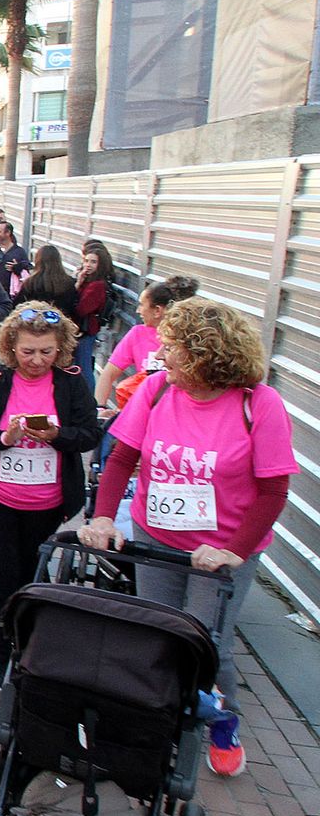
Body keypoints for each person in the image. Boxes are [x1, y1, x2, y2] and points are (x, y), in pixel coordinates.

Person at [79, 297, 295, 778]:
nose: (161, 356)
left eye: (173, 348)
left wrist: (232, 551)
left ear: (205, 354)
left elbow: (274, 488)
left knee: (204, 645)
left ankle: (223, 719)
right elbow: (121, 458)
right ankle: (158, 723)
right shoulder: (157, 391)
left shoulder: (258, 405)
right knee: (159, 634)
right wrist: (105, 518)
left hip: (221, 548)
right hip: (158, 539)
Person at [0, 305, 101, 691]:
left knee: (31, 574)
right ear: (11, 348)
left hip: (48, 501)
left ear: (61, 350)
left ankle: (27, 650)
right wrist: (4, 439)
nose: (37, 360)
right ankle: (0, 655)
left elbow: (90, 434)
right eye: (28, 352)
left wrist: (58, 436)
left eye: (46, 352)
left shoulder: (71, 384)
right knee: (1, 571)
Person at [94, 276, 199, 412]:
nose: (138, 310)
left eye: (142, 304)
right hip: (143, 412)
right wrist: (100, 409)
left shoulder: (191, 338)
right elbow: (108, 375)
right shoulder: (138, 334)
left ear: (157, 310)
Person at [72, 241, 115, 390]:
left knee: (83, 366)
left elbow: (81, 309)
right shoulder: (89, 281)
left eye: (93, 262)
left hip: (85, 331)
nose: (88, 265)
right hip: (83, 330)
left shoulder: (97, 285)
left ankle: (89, 400)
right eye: (86, 261)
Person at [14, 245, 80, 321]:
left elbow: (18, 306)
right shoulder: (69, 282)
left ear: (38, 260)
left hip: (36, 325)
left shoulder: (31, 283)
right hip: (61, 325)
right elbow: (73, 308)